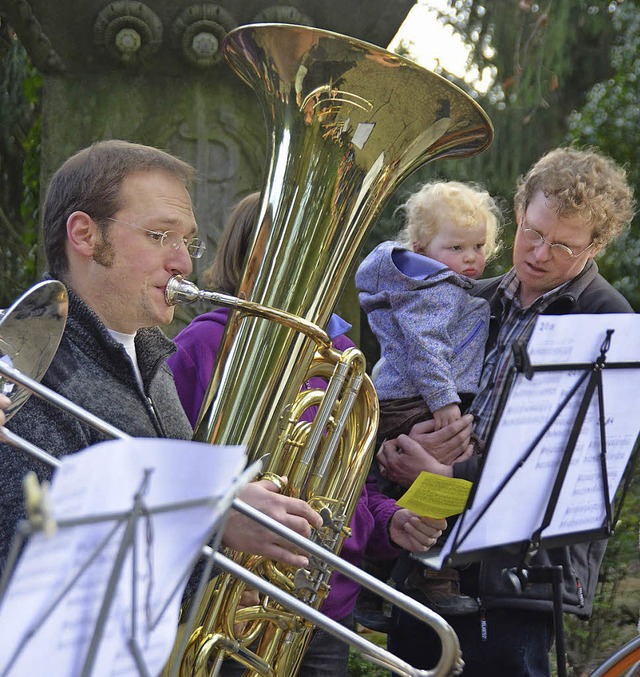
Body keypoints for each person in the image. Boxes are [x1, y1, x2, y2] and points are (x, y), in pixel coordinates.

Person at [0, 139, 327, 579]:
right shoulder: (22, 356)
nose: (183, 264)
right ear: (84, 234)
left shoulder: (152, 357)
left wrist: (209, 584)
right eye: (160, 236)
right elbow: (29, 552)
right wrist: (210, 519)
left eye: (187, 242)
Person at [376, 146, 636, 676]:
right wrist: (392, 446)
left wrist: (449, 475)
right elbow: (401, 386)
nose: (539, 253)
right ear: (519, 211)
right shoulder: (472, 295)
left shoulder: (607, 319)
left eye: (562, 245)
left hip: (520, 575)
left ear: (596, 245)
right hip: (427, 556)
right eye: (531, 231)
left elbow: (584, 471)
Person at [167, 192, 446, 677]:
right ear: (248, 259)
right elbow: (169, 481)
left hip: (322, 612)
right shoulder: (201, 346)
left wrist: (388, 523)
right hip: (226, 606)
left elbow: (350, 492)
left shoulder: (338, 353)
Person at [355, 180, 503, 618]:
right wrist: (445, 405)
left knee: (422, 478)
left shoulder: (443, 284)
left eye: (478, 245)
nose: (471, 257)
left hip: (413, 394)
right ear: (421, 247)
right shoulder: (435, 289)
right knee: (454, 473)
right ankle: (431, 573)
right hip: (418, 397)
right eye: (456, 247)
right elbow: (426, 347)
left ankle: (378, 575)